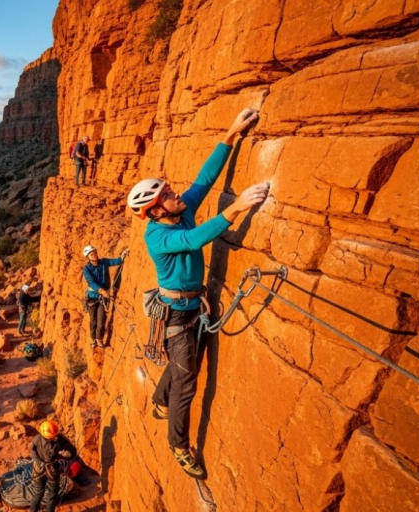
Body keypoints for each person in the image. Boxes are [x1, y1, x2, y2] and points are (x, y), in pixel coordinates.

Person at [126, 108, 268, 479]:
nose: (177, 193)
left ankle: (159, 401)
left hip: (193, 306)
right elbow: (192, 240)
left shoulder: (180, 212)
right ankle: (178, 445)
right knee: (187, 383)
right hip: (176, 315)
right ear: (155, 210)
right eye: (169, 194)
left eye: (171, 190)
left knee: (181, 368)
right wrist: (238, 208)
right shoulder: (158, 235)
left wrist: (231, 133)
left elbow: (205, 179)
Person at [82, 245, 128, 348]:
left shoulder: (104, 262)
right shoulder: (87, 269)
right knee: (93, 320)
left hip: (103, 298)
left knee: (101, 318)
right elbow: (91, 282)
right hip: (92, 298)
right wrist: (102, 291)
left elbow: (116, 261)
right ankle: (93, 339)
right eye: (91, 254)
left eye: (94, 252)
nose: (94, 255)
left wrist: (122, 257)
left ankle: (99, 339)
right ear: (88, 257)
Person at [29, 420, 77, 512]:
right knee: (39, 493)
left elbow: (71, 449)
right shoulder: (37, 439)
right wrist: (41, 462)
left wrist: (67, 453)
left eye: (52, 436)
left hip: (52, 470)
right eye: (49, 437)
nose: (51, 438)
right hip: (40, 469)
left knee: (52, 495)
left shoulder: (60, 439)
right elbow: (33, 453)